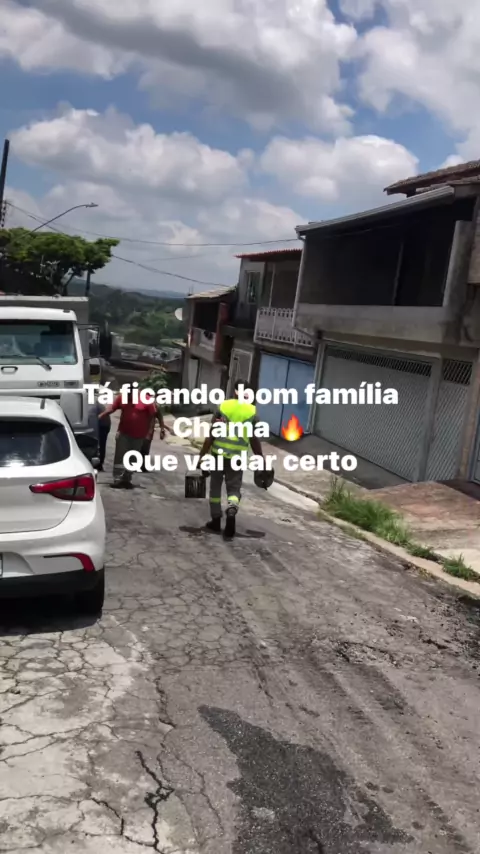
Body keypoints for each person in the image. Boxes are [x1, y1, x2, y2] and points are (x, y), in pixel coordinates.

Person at [197, 380, 263, 540]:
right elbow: (254, 439)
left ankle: (216, 520)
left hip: (218, 455)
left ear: (234, 391)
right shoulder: (252, 412)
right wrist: (260, 457)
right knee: (234, 489)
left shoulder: (223, 407)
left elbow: (211, 435)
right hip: (237, 458)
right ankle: (232, 509)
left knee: (215, 488)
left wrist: (202, 455)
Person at [98, 390, 162, 488]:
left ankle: (127, 479)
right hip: (123, 433)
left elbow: (153, 415)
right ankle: (118, 479)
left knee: (133, 458)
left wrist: (150, 432)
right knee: (120, 457)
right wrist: (102, 415)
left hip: (139, 435)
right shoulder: (122, 397)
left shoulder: (146, 399)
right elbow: (112, 408)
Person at [141, 404, 167, 472]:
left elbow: (160, 417)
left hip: (148, 432)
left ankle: (142, 465)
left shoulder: (154, 406)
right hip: (137, 431)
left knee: (145, 449)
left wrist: (162, 429)